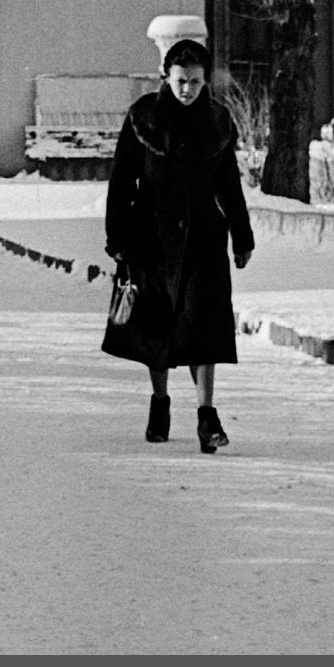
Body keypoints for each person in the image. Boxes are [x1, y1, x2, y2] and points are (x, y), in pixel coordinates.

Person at [103, 38, 255, 451]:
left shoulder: (219, 121)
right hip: (150, 236)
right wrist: (116, 238)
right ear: (165, 78)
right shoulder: (144, 118)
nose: (187, 89)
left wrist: (242, 236)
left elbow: (229, 183)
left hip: (205, 235)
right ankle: (160, 403)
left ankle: (207, 416)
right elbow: (122, 180)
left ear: (206, 81)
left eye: (195, 82)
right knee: (156, 324)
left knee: (205, 323)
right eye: (181, 81)